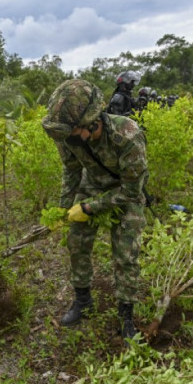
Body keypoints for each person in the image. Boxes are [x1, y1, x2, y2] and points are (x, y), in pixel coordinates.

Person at [42, 79, 149, 341]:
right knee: (76, 242)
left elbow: (131, 191)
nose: (68, 140)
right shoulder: (68, 135)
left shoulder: (128, 134)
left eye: (73, 133)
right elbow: (71, 171)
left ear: (92, 122)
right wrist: (63, 210)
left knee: (126, 252)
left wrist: (89, 208)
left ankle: (126, 314)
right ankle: (83, 301)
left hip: (126, 191)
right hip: (92, 184)